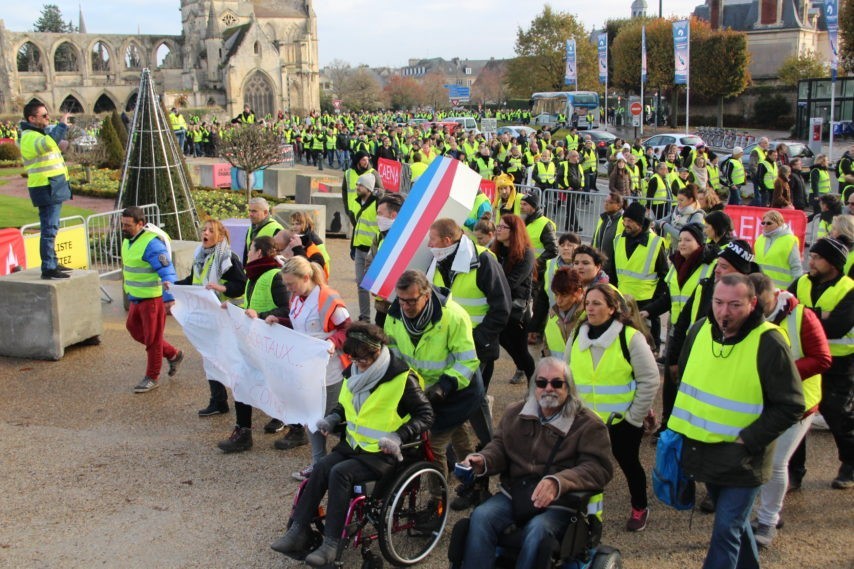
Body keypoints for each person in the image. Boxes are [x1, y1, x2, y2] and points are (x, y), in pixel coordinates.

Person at [270, 323, 434, 566]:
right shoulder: (353, 373)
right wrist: (333, 418)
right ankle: (299, 530)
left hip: (383, 452)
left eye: (363, 359)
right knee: (322, 466)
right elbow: (345, 405)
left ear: (377, 351)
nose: (357, 363)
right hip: (355, 446)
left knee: (339, 473)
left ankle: (331, 544)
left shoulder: (401, 378)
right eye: (353, 358)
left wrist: (399, 436)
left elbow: (426, 415)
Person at [670, 273, 803, 569]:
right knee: (735, 524)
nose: (723, 312)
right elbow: (687, 384)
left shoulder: (769, 342)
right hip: (705, 452)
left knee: (725, 530)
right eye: (718, 303)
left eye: (734, 305)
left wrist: (750, 438)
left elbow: (791, 404)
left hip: (745, 459)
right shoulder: (699, 330)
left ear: (752, 303)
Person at [456, 357, 614, 569]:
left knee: (537, 530)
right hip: (516, 494)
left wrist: (558, 482)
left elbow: (598, 468)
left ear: (569, 387)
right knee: (481, 516)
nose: (549, 388)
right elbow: (500, 447)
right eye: (542, 383)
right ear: (534, 386)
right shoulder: (516, 413)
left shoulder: (587, 424)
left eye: (557, 383)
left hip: (560, 502)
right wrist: (482, 460)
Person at [568, 284, 659, 531]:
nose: (590, 308)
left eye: (597, 303)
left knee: (629, 465)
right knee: (586, 468)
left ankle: (640, 507)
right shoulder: (577, 335)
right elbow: (566, 374)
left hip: (621, 423)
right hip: (585, 421)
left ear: (612, 308)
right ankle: (589, 515)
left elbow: (649, 379)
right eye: (587, 303)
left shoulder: (630, 338)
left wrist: (634, 417)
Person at [748, 273, 830, 547]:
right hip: (762, 401)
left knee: (775, 462)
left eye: (759, 303)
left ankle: (768, 520)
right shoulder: (749, 316)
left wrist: (781, 373)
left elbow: (822, 358)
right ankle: (764, 514)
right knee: (761, 460)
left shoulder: (802, 316)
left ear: (772, 296)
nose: (755, 309)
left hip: (798, 403)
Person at [383, 270, 483, 488]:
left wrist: (444, 385)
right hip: (425, 392)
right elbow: (393, 353)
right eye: (401, 300)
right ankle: (475, 482)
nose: (405, 307)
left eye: (411, 301)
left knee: (433, 447)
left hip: (458, 391)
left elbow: (467, 362)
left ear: (426, 295)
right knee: (458, 433)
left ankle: (437, 503)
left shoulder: (454, 316)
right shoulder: (394, 315)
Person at [268, 257, 351, 478]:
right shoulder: (297, 297)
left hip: (330, 371)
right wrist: (279, 320)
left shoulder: (327, 298)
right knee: (311, 416)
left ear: (306, 278)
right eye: (286, 284)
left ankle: (347, 458)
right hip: (307, 369)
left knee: (330, 420)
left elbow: (348, 328)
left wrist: (333, 342)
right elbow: (300, 325)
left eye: (291, 284)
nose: (288, 289)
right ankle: (318, 464)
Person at [788, 238, 854, 489]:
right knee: (797, 412)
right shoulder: (803, 282)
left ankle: (850, 463)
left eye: (817, 257)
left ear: (833, 263)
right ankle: (795, 471)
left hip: (839, 363)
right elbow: (785, 309)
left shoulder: (848, 288)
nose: (810, 261)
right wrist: (819, 314)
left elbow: (838, 326)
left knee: (838, 414)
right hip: (805, 359)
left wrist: (805, 314)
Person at [216, 236, 291, 452]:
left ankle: (295, 427)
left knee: (276, 386)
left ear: (259, 252)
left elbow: (288, 310)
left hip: (272, 343)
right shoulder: (253, 276)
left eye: (251, 249)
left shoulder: (274, 276)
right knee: (241, 381)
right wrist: (234, 310)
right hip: (253, 342)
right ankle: (243, 432)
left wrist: (261, 315)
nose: (248, 252)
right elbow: (251, 307)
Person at [173, 219, 247, 416]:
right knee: (210, 359)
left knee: (229, 361)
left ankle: (243, 400)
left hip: (226, 318)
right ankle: (218, 401)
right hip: (209, 318)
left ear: (220, 236)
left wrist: (222, 288)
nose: (204, 233)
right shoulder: (200, 256)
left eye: (210, 230)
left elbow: (241, 285)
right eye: (203, 229)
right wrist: (174, 285)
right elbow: (193, 281)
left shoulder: (228, 258)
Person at [120, 206, 183, 393]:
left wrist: (169, 297)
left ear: (140, 224)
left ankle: (152, 376)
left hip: (152, 300)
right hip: (136, 298)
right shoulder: (129, 240)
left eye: (128, 225)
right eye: (122, 224)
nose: (123, 228)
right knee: (134, 329)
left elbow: (167, 271)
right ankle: (173, 354)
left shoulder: (152, 244)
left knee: (153, 340)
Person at [19, 101, 73, 279]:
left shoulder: (36, 133)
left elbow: (53, 142)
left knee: (51, 227)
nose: (48, 117)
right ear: (31, 118)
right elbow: (50, 143)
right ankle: (49, 267)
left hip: (51, 185)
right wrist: (62, 124)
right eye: (44, 115)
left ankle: (53, 262)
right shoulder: (29, 136)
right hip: (45, 186)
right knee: (49, 228)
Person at [612, 202, 668, 353]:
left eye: (630, 221)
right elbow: (612, 270)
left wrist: (655, 302)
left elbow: (665, 275)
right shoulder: (618, 239)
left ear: (639, 222)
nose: (625, 224)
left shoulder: (655, 243)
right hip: (622, 301)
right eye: (625, 220)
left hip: (646, 304)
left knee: (646, 347)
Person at [491, 214, 537, 385]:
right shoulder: (495, 250)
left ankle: (534, 384)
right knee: (507, 344)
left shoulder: (526, 253)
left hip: (517, 311)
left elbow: (510, 282)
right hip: (499, 307)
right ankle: (521, 367)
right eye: (498, 225)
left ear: (514, 231)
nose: (498, 229)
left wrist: (490, 287)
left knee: (521, 351)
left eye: (503, 227)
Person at [520, 193, 558, 344]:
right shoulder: (524, 221)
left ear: (533, 207)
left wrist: (536, 263)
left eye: (525, 205)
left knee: (538, 303)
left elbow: (553, 250)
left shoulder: (545, 224)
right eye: (521, 204)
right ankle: (529, 329)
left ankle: (537, 332)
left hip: (539, 271)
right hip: (526, 270)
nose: (522, 207)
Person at [370, 193, 405, 328]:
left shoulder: (404, 238)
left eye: (380, 213)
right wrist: (373, 284)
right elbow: (371, 262)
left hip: (400, 306)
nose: (377, 217)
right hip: (382, 305)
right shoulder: (380, 235)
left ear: (393, 215)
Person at [352, 173, 382, 323]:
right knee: (361, 284)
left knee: (376, 287)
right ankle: (365, 317)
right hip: (359, 249)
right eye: (357, 184)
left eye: (361, 185)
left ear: (369, 189)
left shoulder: (377, 202)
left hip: (373, 251)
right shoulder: (359, 202)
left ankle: (380, 317)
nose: (357, 187)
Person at [543, 267, 585, 361]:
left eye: (564, 295)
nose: (559, 301)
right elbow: (546, 346)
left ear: (579, 292)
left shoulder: (588, 316)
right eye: (556, 294)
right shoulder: (552, 315)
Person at [754, 210, 802, 290]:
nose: (765, 225)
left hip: (782, 291)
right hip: (761, 289)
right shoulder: (760, 239)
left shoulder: (789, 240)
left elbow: (796, 268)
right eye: (763, 223)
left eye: (769, 223)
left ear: (779, 223)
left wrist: (795, 290)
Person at [341, 151, 383, 227]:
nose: (366, 162)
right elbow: (344, 191)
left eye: (367, 159)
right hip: (352, 210)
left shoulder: (373, 173)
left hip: (367, 211)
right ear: (358, 161)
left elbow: (381, 191)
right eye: (363, 160)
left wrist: (371, 196)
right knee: (356, 232)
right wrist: (346, 207)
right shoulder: (348, 173)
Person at [660, 185, 706, 250]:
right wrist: (654, 223)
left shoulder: (697, 215)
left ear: (690, 200)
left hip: (687, 252)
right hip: (675, 248)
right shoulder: (678, 209)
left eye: (681, 200)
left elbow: (686, 237)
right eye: (677, 199)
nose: (678, 203)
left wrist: (665, 225)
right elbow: (669, 218)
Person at [591, 193, 624, 281]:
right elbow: (595, 238)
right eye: (605, 201)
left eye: (610, 202)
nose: (606, 204)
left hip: (613, 267)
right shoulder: (603, 218)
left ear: (618, 205)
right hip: (599, 265)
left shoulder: (623, 221)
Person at [244, 197, 283, 266]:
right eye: (249, 211)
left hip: (266, 272)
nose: (250, 214)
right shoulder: (251, 228)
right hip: (250, 273)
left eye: (254, 211)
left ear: (265, 212)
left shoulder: (277, 229)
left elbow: (280, 259)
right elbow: (246, 256)